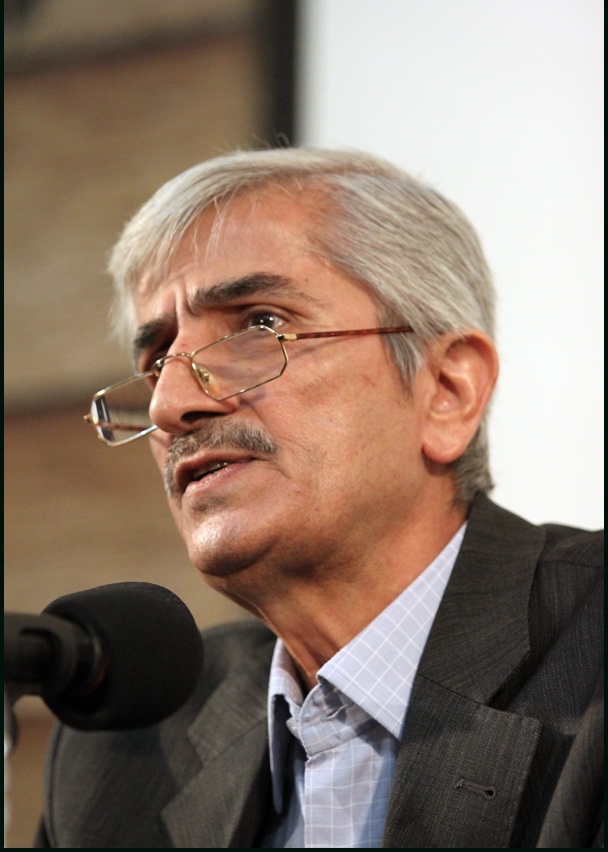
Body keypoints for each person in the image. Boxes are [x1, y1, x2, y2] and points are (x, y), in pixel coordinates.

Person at [36, 147, 602, 848]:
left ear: (447, 391)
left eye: (259, 325)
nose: (171, 403)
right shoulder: (121, 753)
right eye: (156, 363)